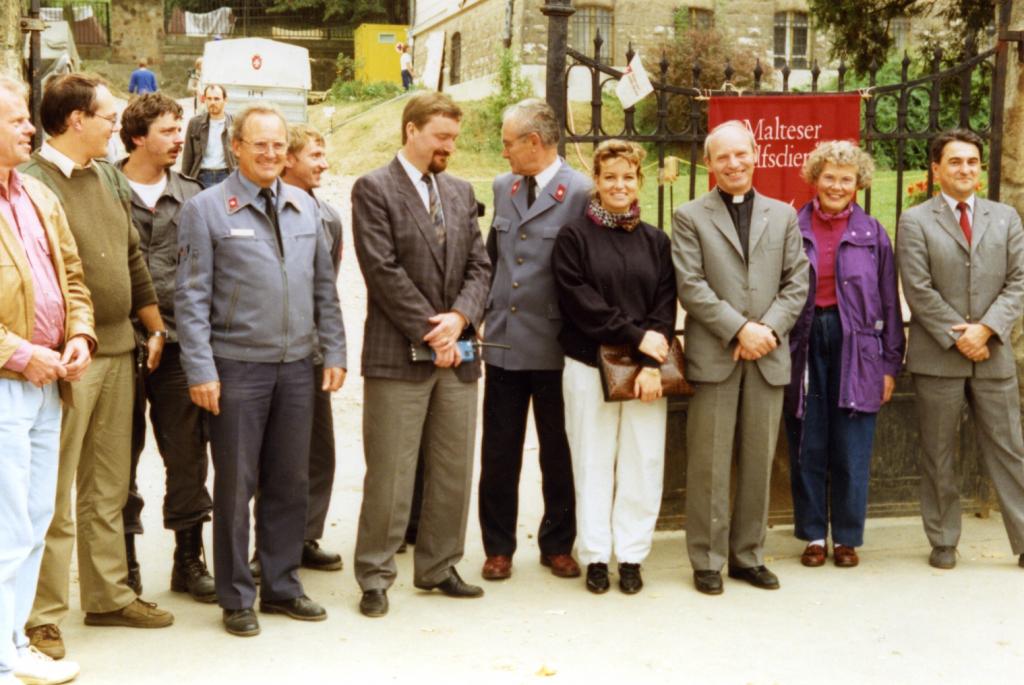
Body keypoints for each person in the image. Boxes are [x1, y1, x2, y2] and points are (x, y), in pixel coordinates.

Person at [175, 103, 347, 637]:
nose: (271, 153)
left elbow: (324, 289)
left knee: (289, 480)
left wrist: (335, 352)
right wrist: (201, 369)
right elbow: (191, 297)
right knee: (236, 485)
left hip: (298, 366)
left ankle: (281, 584)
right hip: (236, 368)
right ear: (237, 149)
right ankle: (235, 597)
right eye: (260, 145)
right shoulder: (206, 210)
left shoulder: (304, 207)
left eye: (278, 145)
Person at [23, 74, 173, 661]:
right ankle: (42, 614)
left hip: (119, 348)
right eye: (108, 117)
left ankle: (109, 595)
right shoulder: (31, 184)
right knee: (53, 493)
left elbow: (131, 254)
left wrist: (153, 324)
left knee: (108, 486)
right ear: (76, 120)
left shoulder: (107, 174)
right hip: (67, 359)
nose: (117, 125)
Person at [351, 91, 491, 618]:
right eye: (441, 137)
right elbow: (382, 270)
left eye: (453, 138)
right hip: (398, 356)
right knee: (390, 471)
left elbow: (481, 266)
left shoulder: (459, 191)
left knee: (453, 468)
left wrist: (460, 320)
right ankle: (375, 574)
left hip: (459, 355)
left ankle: (439, 566)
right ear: (411, 130)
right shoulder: (374, 188)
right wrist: (435, 333)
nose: (449, 147)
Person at [672, 120, 809, 595]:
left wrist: (767, 330)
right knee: (709, 461)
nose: (733, 164)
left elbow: (798, 282)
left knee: (759, 459)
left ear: (756, 154)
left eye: (741, 154)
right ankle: (707, 559)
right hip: (717, 353)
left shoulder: (782, 215)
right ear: (708, 164)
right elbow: (690, 285)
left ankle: (747, 555)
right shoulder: (690, 216)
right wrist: (739, 328)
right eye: (722, 157)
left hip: (767, 353)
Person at [550, 140, 675, 595]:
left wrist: (648, 360)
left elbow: (664, 305)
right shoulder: (575, 238)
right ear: (596, 183)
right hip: (588, 364)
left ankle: (633, 555)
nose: (619, 185)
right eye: (610, 177)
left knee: (643, 461)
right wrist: (635, 335)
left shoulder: (656, 241)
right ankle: (597, 554)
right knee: (592, 460)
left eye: (627, 177)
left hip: (645, 372)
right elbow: (581, 302)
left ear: (639, 182)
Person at [897, 128, 1024, 571]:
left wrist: (986, 329)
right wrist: (960, 336)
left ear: (980, 167)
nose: (964, 169)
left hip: (993, 356)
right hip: (939, 359)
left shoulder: (1005, 217)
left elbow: (1018, 283)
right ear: (936, 169)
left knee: (1010, 449)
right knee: (938, 453)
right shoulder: (915, 221)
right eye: (954, 162)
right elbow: (918, 288)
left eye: (971, 161)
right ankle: (944, 539)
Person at [0, 74, 91, 685]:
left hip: (47, 381)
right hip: (9, 380)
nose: (31, 127)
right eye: (16, 120)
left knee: (32, 521)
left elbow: (74, 278)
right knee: (6, 524)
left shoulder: (35, 195)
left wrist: (79, 334)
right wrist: (16, 353)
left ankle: (10, 641)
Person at [478, 99, 590, 582]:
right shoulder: (504, 187)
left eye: (508, 143)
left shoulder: (581, 192)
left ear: (534, 143)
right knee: (499, 451)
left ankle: (558, 543)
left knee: (557, 450)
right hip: (504, 342)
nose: (503, 153)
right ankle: (498, 546)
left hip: (554, 345)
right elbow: (492, 258)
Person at [783, 141, 905, 568]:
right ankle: (814, 534)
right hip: (806, 337)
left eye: (846, 179)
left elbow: (890, 303)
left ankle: (847, 537)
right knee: (808, 439)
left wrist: (890, 364)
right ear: (815, 178)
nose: (837, 186)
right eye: (829, 177)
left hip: (858, 344)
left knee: (852, 442)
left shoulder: (873, 234)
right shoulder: (791, 226)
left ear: (859, 184)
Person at [116, 93, 214, 602]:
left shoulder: (194, 195)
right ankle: (125, 566)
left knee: (188, 454)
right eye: (169, 131)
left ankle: (188, 560)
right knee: (117, 457)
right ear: (137, 137)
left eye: (180, 130)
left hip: (178, 345)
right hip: (118, 344)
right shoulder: (104, 188)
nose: (180, 139)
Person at [280, 123, 345, 572]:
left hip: (313, 349)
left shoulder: (329, 217)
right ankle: (271, 544)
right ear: (289, 160)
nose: (323, 164)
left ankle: (305, 536)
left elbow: (329, 286)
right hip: (268, 352)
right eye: (315, 156)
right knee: (274, 454)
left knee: (318, 452)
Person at [181, 84, 235, 188]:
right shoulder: (195, 123)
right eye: (209, 99)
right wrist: (184, 182)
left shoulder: (234, 123)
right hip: (201, 177)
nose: (212, 102)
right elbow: (187, 156)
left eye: (216, 99)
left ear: (225, 100)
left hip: (226, 177)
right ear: (204, 100)